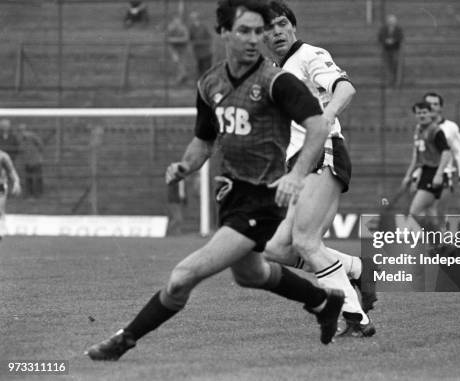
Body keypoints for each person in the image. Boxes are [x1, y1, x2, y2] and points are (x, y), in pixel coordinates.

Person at [85, 0, 343, 361]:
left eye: (259, 31)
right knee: (251, 274)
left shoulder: (277, 81)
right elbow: (204, 139)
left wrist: (297, 176)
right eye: (244, 31)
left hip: (264, 197)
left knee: (182, 276)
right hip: (232, 194)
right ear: (223, 33)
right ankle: (322, 301)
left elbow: (318, 125)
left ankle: (123, 341)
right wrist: (185, 166)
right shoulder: (210, 83)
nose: (254, 39)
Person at [261, 0, 375, 338]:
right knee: (277, 249)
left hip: (323, 152)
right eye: (269, 28)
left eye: (281, 23)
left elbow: (345, 87)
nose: (277, 31)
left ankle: (356, 319)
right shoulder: (272, 70)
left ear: (292, 26)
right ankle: (358, 268)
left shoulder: (309, 55)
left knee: (307, 242)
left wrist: (327, 116)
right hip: (298, 164)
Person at [400, 101, 452, 219]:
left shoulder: (435, 131)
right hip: (425, 172)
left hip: (434, 172)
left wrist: (439, 174)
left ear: (430, 114)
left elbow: (446, 152)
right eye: (418, 113)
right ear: (415, 115)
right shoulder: (419, 130)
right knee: (430, 211)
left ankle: (433, 236)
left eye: (424, 112)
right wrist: (408, 176)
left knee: (415, 211)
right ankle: (435, 237)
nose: (422, 115)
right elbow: (416, 157)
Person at [422, 93, 460, 218]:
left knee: (439, 213)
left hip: (444, 175)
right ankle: (430, 237)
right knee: (423, 213)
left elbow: (459, 152)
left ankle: (438, 237)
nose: (431, 107)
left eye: (435, 104)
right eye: (428, 104)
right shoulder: (421, 128)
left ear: (441, 107)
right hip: (424, 175)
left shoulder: (450, 127)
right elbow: (419, 154)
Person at [16, 124, 44, 198]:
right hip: (27, 161)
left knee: (36, 178)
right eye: (20, 130)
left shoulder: (32, 136)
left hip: (35, 160)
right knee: (28, 178)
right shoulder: (21, 139)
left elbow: (41, 145)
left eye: (23, 130)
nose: (22, 132)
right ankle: (29, 193)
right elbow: (20, 150)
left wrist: (38, 154)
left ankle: (37, 194)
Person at [377, 14, 403, 86]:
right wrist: (386, 40)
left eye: (393, 21)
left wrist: (393, 40)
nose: (391, 22)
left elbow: (400, 37)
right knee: (387, 65)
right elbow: (380, 37)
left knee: (395, 64)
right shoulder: (384, 29)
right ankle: (389, 80)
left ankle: (396, 80)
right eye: (390, 21)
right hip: (386, 50)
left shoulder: (398, 29)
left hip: (395, 50)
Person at [0, 149, 21, 240]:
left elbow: (11, 171)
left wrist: (16, 181)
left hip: (0, 185)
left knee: (0, 208)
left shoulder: (3, 156)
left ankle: (1, 231)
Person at [188, 11, 213, 78]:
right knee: (200, 69)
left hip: (206, 52)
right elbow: (190, 39)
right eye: (191, 18)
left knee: (207, 69)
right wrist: (195, 42)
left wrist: (201, 42)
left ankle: (208, 83)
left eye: (194, 18)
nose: (193, 20)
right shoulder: (191, 28)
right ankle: (200, 83)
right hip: (197, 52)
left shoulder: (204, 27)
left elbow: (209, 38)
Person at [166, 14, 190, 84]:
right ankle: (182, 76)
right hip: (174, 48)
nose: (176, 23)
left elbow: (186, 39)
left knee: (182, 62)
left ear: (180, 22)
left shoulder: (183, 28)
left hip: (183, 47)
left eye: (178, 22)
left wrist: (174, 39)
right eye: (175, 22)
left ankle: (182, 76)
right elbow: (167, 39)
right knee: (177, 61)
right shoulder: (170, 27)